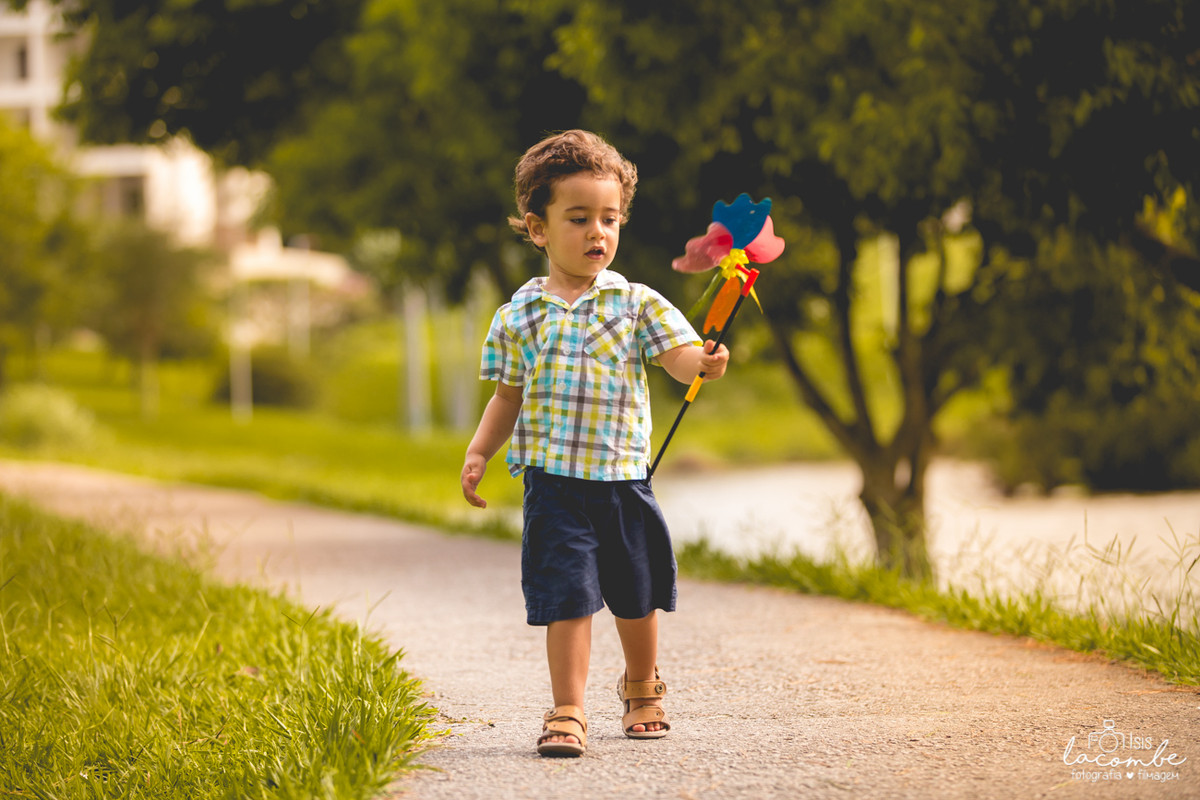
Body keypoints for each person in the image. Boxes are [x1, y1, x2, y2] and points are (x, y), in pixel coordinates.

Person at [460, 129, 729, 757]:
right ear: (538, 228)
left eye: (609, 219)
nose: (596, 233)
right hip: (553, 485)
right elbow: (507, 396)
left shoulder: (636, 303)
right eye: (578, 218)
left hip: (622, 479)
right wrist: (480, 451)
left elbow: (679, 359)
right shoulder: (518, 316)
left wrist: (704, 362)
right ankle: (569, 709)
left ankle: (641, 686)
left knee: (636, 596)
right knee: (567, 598)